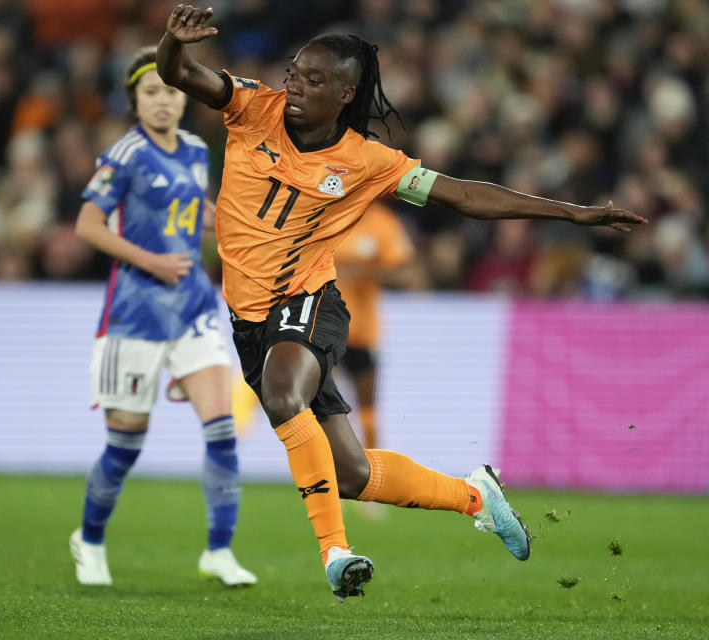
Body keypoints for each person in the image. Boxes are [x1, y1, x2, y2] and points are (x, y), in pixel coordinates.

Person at [157, 5, 648, 601]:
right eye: (293, 73)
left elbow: (465, 196)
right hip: (247, 319)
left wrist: (569, 212)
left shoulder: (369, 163)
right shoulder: (251, 105)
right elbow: (182, 74)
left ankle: (335, 553)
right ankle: (476, 496)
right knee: (351, 473)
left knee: (285, 393)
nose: (294, 88)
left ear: (346, 92)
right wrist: (172, 45)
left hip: (308, 299)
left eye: (314, 81)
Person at [71, 47, 256, 588]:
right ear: (135, 100)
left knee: (222, 429)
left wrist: (226, 225)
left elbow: (191, 210)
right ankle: (91, 538)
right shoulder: (124, 155)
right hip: (135, 314)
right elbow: (87, 224)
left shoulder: (196, 151)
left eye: (171, 91)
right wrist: (151, 259)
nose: (163, 101)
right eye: (151, 92)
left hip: (193, 307)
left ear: (184, 97)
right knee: (126, 445)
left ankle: (219, 549)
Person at [332, 200, 424, 451]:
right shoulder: (327, 211)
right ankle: (327, 464)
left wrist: (366, 271)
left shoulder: (383, 223)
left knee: (367, 409)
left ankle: (373, 465)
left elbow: (410, 276)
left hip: (361, 331)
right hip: (323, 329)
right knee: (322, 400)